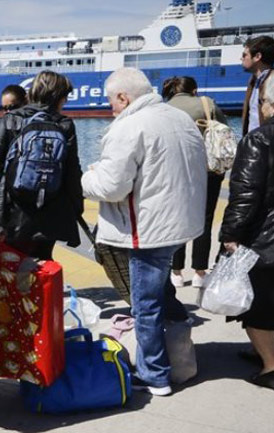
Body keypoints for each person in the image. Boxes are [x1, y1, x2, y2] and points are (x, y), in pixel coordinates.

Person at [82, 67, 207, 396]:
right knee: (162, 293)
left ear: (124, 97)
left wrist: (85, 178)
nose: (110, 108)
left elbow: (112, 186)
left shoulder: (129, 126)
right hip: (178, 223)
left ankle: (155, 374)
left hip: (148, 228)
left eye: (111, 102)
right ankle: (181, 358)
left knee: (145, 304)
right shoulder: (178, 117)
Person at [0, 70, 83, 259]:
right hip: (51, 209)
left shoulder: (12, 119)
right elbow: (72, 172)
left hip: (13, 208)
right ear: (59, 98)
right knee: (44, 262)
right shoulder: (65, 124)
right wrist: (77, 207)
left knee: (12, 263)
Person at [220, 76, 274, 391]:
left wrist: (230, 234)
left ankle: (269, 365)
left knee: (257, 306)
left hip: (263, 238)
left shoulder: (258, 139)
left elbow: (246, 194)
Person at [161, 76, 229, 288]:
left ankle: (176, 272)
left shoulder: (164, 109)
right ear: (194, 90)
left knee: (177, 219)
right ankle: (200, 273)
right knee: (205, 219)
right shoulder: (206, 103)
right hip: (208, 169)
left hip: (176, 171)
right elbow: (224, 128)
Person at [241, 36, 274, 136]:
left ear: (257, 57)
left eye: (244, 55)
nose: (241, 58)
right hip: (255, 146)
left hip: (266, 147)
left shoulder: (271, 81)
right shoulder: (253, 82)